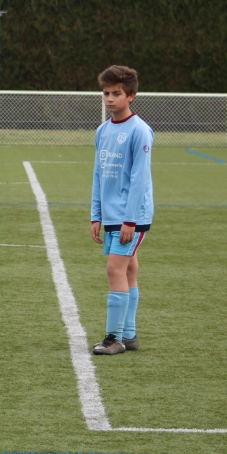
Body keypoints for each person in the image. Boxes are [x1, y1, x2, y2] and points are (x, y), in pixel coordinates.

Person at [90, 65, 154, 355]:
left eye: (116, 93)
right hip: (112, 215)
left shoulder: (140, 131)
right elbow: (99, 175)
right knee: (128, 269)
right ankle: (129, 335)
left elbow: (140, 179)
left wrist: (130, 220)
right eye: (106, 93)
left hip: (132, 217)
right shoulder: (102, 131)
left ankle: (113, 339)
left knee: (114, 268)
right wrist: (96, 215)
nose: (110, 98)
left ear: (131, 96)